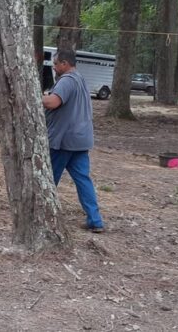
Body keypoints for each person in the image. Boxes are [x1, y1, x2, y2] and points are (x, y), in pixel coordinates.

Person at [42, 49, 104, 233]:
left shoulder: (67, 80)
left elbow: (53, 102)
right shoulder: (80, 79)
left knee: (48, 180)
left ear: (65, 64)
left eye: (55, 64)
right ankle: (95, 220)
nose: (53, 67)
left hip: (64, 140)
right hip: (81, 139)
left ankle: (43, 216)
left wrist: (34, 96)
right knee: (83, 180)